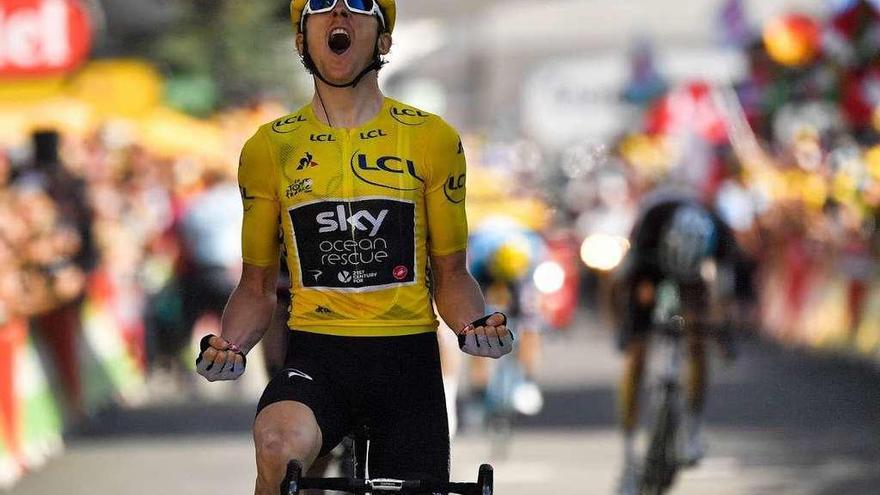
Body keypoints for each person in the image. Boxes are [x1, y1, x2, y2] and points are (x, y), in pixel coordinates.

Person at [194, 2, 514, 493]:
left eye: (360, 5)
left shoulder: (431, 138)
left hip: (406, 364)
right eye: (320, 6)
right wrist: (230, 345)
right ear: (302, 41)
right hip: (318, 357)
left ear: (383, 42)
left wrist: (473, 326)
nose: (339, 11)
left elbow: (451, 276)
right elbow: (256, 287)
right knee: (278, 448)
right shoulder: (268, 148)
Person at [612, 189, 739, 495]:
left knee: (697, 340)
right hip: (651, 265)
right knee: (637, 351)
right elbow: (620, 285)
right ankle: (629, 455)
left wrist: (721, 332)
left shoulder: (720, 235)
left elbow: (723, 297)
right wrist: (624, 329)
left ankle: (692, 429)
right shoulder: (649, 226)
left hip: (695, 276)